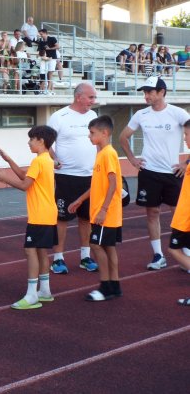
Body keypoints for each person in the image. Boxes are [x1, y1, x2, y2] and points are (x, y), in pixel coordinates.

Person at [119, 76, 190, 270]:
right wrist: (133, 159)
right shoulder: (141, 115)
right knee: (152, 213)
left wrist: (187, 162)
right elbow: (123, 137)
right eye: (145, 92)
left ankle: (186, 253)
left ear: (162, 92)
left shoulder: (178, 113)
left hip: (173, 173)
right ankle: (158, 255)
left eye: (150, 91)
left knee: (180, 215)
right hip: (149, 172)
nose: (146, 95)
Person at [0, 126, 58, 309]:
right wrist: (9, 160)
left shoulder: (39, 161)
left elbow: (24, 185)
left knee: (30, 251)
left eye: (31, 139)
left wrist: (3, 178)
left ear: (41, 141)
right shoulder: (46, 160)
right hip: (47, 213)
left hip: (40, 214)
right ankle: (44, 290)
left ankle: (31, 296)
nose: (29, 142)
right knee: (40, 251)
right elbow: (25, 175)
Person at [68, 115, 123, 301]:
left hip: (105, 212)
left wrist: (104, 209)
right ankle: (114, 286)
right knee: (108, 248)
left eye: (92, 133)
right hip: (104, 211)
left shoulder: (108, 153)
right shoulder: (101, 153)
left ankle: (106, 286)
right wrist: (80, 200)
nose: (89, 137)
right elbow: (97, 185)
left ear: (104, 133)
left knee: (96, 245)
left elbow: (113, 184)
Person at [47, 82, 99, 274]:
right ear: (79, 97)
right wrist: (54, 159)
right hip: (66, 177)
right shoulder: (59, 116)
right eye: (91, 97)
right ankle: (58, 259)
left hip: (90, 177)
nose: (93, 101)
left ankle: (85, 256)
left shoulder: (93, 116)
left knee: (86, 218)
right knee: (62, 218)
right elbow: (46, 142)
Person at [169, 119, 190, 306]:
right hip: (183, 216)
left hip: (186, 218)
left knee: (174, 249)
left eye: (187, 134)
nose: (185, 138)